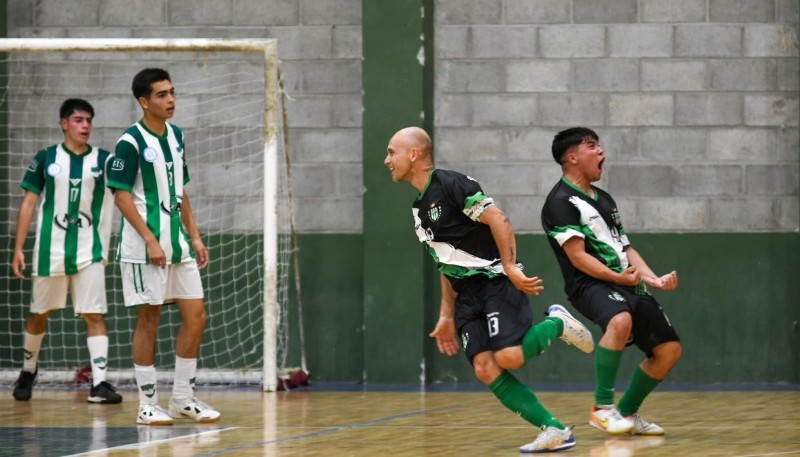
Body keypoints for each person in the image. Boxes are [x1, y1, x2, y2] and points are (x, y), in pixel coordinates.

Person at [385, 126, 595, 453]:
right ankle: (554, 430)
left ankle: (557, 324)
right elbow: (446, 261)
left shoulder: (452, 184)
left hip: (494, 280)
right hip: (465, 295)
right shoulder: (418, 209)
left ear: (413, 155)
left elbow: (498, 219)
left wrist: (510, 266)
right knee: (485, 368)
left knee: (509, 356)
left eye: (391, 152)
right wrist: (446, 314)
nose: (387, 160)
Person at [541, 127, 682, 436]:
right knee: (619, 321)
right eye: (593, 146)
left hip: (625, 282)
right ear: (573, 157)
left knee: (669, 351)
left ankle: (627, 415)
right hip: (590, 285)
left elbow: (625, 247)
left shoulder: (604, 199)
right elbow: (578, 257)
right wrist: (617, 277)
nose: (602, 152)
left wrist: (653, 279)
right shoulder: (560, 202)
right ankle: (602, 408)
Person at [106, 68, 219, 426]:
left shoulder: (176, 135)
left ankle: (182, 398)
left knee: (196, 316)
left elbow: (179, 189)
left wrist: (195, 235)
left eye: (172, 92)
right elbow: (120, 194)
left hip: (179, 245)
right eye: (161, 95)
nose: (170, 100)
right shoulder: (130, 141)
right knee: (149, 319)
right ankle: (147, 403)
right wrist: (151, 239)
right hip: (144, 248)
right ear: (143, 102)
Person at [11, 98, 122, 404]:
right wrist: (18, 248)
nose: (85, 125)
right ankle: (28, 370)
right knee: (38, 314)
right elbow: (29, 203)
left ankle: (99, 384)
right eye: (78, 120)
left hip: (90, 250)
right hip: (51, 250)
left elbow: (125, 197)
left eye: (88, 120)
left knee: (94, 314)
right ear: (63, 123)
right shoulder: (45, 157)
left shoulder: (105, 160)